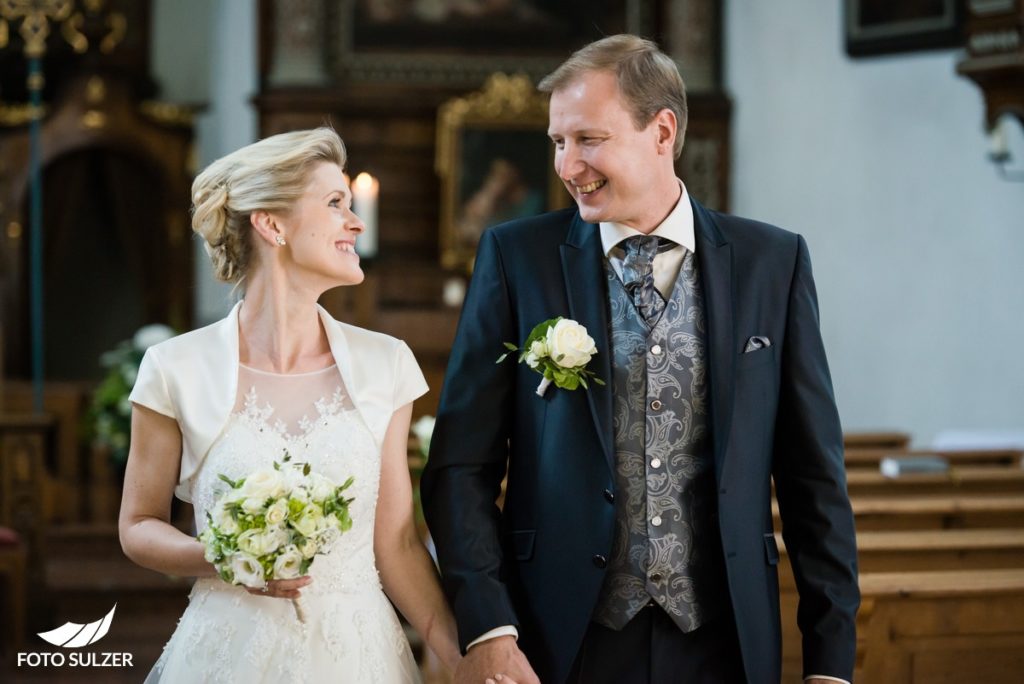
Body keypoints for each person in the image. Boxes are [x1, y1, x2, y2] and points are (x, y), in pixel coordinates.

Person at [421, 35, 859, 684]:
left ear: (661, 131)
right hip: (561, 639)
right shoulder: (518, 259)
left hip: (724, 643)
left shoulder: (774, 263)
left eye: (588, 140)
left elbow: (813, 481)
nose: (567, 166)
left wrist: (830, 666)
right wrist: (488, 623)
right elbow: (460, 466)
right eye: (557, 143)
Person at [119, 127, 462, 682]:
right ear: (272, 224)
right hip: (225, 653)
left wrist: (458, 652)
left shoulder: (387, 364)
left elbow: (395, 544)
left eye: (352, 205)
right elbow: (138, 525)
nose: (356, 222)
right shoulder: (173, 367)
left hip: (356, 655)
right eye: (335, 204)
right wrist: (224, 558)